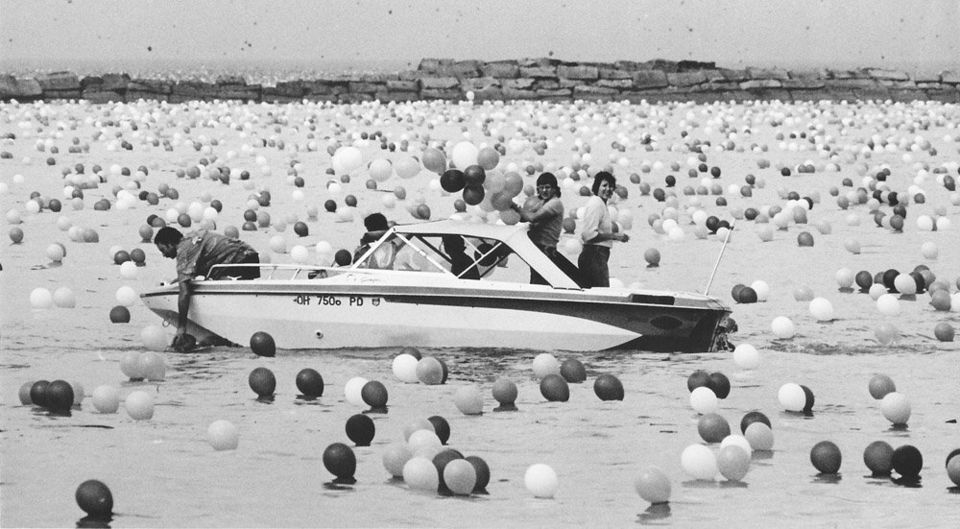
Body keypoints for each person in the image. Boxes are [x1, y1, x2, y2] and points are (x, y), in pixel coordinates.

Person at [154, 226, 260, 351]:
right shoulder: (190, 239)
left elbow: (185, 292)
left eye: (163, 250)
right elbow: (192, 272)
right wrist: (176, 281)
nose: (164, 255)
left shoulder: (184, 250)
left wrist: (181, 327)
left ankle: (229, 335)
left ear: (170, 244)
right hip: (249, 256)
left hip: (240, 261)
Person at [510, 172, 565, 284]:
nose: (544, 190)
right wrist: (512, 209)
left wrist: (515, 207)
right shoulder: (543, 202)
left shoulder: (555, 203)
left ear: (554, 189)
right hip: (538, 249)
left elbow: (533, 218)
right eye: (541, 188)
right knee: (535, 280)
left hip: (547, 250)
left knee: (540, 283)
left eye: (547, 187)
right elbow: (524, 218)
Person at [578, 171, 629, 287]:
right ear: (597, 187)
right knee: (602, 292)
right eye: (604, 185)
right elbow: (588, 235)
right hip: (594, 256)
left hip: (596, 256)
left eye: (611, 186)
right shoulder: (596, 203)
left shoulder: (601, 204)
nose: (608, 189)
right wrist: (615, 236)